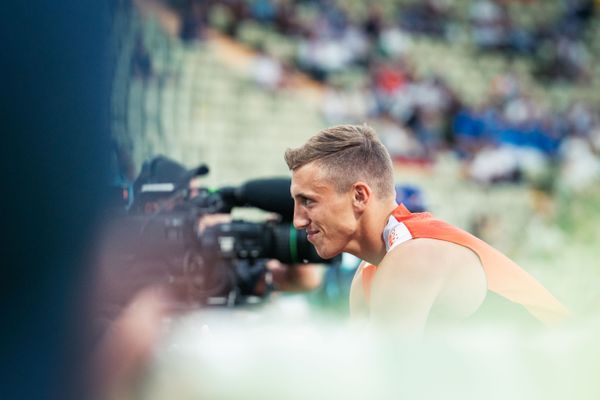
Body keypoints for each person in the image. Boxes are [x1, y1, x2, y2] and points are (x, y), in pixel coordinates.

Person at [285, 124, 568, 337]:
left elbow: (383, 386)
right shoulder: (369, 273)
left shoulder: (414, 254)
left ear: (360, 196)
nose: (298, 220)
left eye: (308, 201)